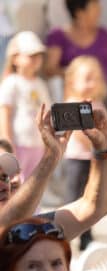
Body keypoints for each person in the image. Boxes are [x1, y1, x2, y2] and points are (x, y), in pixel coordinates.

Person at [0, 104, 107, 271]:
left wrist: (103, 149)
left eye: (6, 176)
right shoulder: (14, 228)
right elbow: (7, 225)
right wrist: (51, 157)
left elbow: (94, 207)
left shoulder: (31, 229)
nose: (7, 183)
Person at [45, 0, 107, 177]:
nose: (100, 11)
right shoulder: (59, 35)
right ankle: (97, 156)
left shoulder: (105, 35)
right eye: (95, 7)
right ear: (80, 12)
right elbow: (49, 68)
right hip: (77, 88)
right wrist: (76, 74)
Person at [62, 55, 107, 251]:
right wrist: (96, 144)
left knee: (91, 196)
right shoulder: (72, 103)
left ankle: (86, 235)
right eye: (87, 78)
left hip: (93, 158)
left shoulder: (97, 104)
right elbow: (79, 133)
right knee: (73, 196)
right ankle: (65, 233)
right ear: (73, 81)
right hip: (76, 159)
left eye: (95, 78)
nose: (92, 83)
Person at [0, 30, 51, 181]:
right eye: (30, 55)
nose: (36, 59)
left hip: (37, 144)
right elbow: (4, 114)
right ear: (15, 58)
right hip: (18, 144)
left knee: (34, 181)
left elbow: (46, 113)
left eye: (38, 55)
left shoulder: (40, 84)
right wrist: (7, 145)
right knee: (16, 181)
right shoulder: (11, 82)